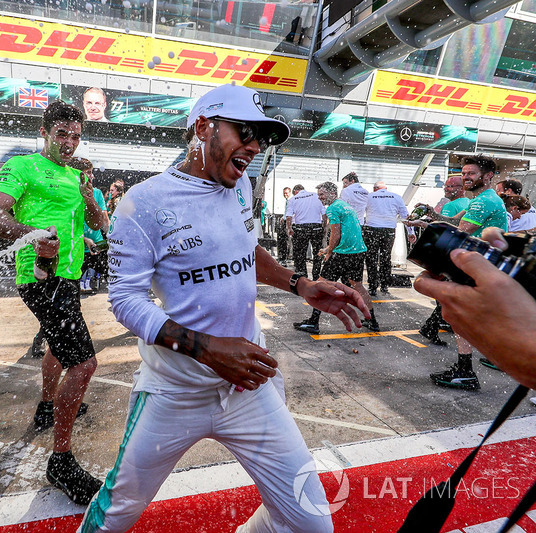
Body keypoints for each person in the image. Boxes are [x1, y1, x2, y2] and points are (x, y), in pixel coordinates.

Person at [78, 84, 369, 533]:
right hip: (174, 392)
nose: (254, 146)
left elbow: (247, 249)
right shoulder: (143, 201)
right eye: (244, 132)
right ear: (202, 128)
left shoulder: (241, 186)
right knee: (115, 514)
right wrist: (208, 348)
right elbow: (125, 300)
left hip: (249, 386)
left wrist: (300, 283)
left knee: (311, 524)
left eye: (261, 137)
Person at [0, 101, 107, 505]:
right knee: (84, 364)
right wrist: (32, 233)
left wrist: (88, 196)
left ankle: (46, 406)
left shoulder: (76, 174)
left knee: (57, 344)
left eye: (75, 136)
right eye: (61, 135)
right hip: (40, 275)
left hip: (69, 274)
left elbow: (92, 223)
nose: (69, 143)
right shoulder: (22, 167)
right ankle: (61, 460)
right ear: (45, 132)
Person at [417, 156, 508, 389]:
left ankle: (467, 371)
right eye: (464, 173)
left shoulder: (483, 202)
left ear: (487, 176)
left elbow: (459, 231)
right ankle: (469, 367)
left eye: (471, 174)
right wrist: (430, 217)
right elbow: (451, 221)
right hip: (478, 266)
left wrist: (429, 228)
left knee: (461, 317)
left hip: (480, 268)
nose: (466, 177)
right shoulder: (479, 200)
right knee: (459, 316)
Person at [414, 226, 536, 390]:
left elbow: (464, 226)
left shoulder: (483, 201)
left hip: (476, 272)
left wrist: (526, 352)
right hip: (485, 273)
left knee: (460, 307)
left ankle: (465, 370)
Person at [294, 181, 378, 334]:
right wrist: (327, 248)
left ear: (332, 193)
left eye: (322, 194)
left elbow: (336, 234)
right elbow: (345, 233)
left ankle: (313, 322)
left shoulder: (333, 208)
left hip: (342, 254)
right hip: (357, 252)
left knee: (320, 285)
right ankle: (372, 321)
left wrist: (329, 252)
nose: (320, 198)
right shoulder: (344, 205)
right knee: (357, 285)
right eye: (319, 195)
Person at [414, 175, 468, 346]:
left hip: (448, 253)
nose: (446, 189)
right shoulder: (468, 204)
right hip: (460, 254)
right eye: (445, 186)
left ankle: (431, 326)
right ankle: (433, 326)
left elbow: (442, 228)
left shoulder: (451, 205)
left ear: (461, 188)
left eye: (450, 187)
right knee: (448, 295)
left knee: (444, 295)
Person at [363, 181, 415, 296]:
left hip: (372, 229)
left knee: (371, 258)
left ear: (375, 188)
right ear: (386, 188)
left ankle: (372, 286)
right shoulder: (396, 197)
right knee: (385, 258)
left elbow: (360, 212)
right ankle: (384, 285)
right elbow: (405, 216)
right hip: (389, 230)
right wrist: (410, 232)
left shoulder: (369, 196)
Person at [69, 158, 109, 294]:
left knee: (102, 270)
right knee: (77, 275)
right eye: (88, 172)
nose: (92, 176)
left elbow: (104, 220)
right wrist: (84, 240)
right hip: (76, 245)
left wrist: (112, 236)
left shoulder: (96, 193)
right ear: (77, 174)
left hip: (96, 242)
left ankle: (88, 283)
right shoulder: (69, 193)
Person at [285, 184, 326, 280]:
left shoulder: (293, 199)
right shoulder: (316, 196)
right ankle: (316, 275)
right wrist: (324, 227)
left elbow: (289, 216)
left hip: (301, 228)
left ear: (295, 191)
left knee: (300, 253)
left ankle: (303, 275)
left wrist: (289, 228)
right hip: (316, 227)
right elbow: (324, 214)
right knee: (317, 253)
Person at [275, 186, 292, 263]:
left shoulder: (291, 201)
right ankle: (283, 256)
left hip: (288, 222)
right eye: (284, 193)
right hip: (285, 220)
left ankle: (285, 257)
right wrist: (283, 216)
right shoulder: (287, 200)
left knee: (285, 240)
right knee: (283, 239)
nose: (285, 195)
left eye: (286, 193)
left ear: (290, 193)